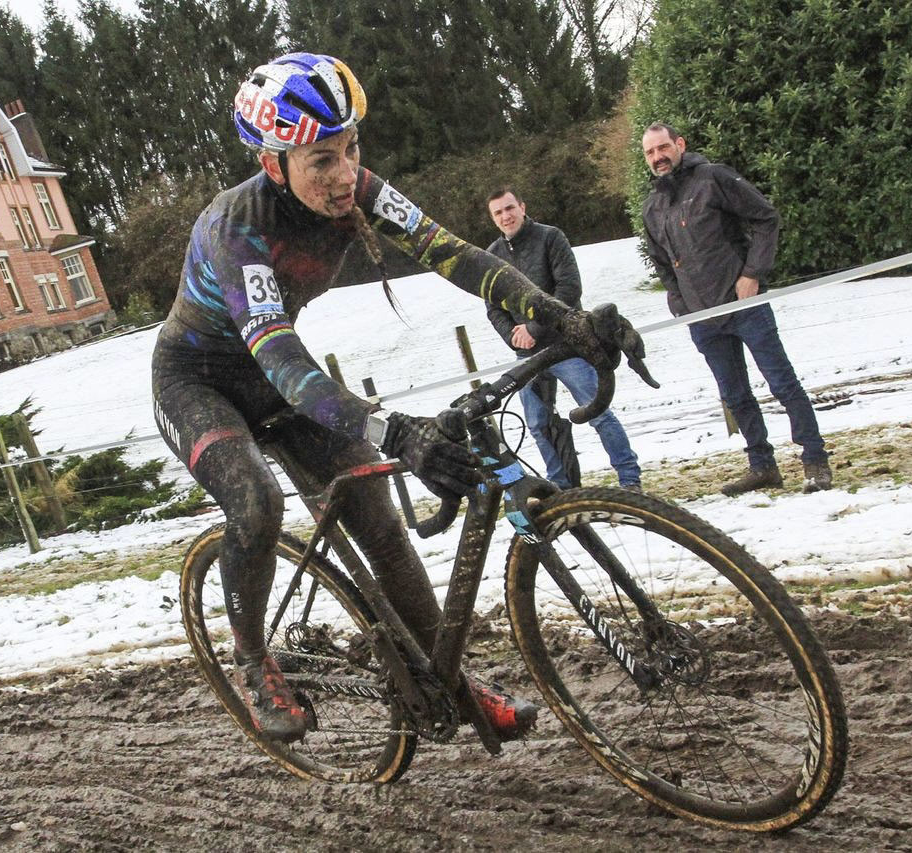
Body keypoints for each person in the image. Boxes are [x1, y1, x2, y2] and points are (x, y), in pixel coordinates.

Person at [152, 53, 633, 742]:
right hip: (197, 381)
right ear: (272, 163)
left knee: (381, 525)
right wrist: (393, 430)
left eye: (352, 148)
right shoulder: (238, 229)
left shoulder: (359, 191)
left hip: (279, 375)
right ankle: (254, 659)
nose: (346, 173)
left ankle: (453, 684)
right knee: (258, 500)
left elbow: (459, 254)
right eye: (322, 160)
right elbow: (284, 363)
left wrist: (564, 318)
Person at [639, 123, 832, 496]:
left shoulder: (713, 178)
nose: (658, 157)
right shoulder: (652, 208)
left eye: (663, 147)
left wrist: (752, 274)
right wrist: (679, 303)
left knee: (782, 383)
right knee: (735, 395)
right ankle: (762, 466)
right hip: (702, 318)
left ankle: (814, 459)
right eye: (650, 152)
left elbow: (765, 218)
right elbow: (662, 263)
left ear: (680, 145)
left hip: (745, 305)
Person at [484, 188, 642, 492]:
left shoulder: (550, 237)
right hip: (526, 355)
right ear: (493, 219)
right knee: (538, 426)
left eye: (509, 208)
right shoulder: (492, 256)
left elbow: (568, 288)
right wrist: (515, 339)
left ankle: (629, 478)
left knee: (597, 412)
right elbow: (493, 307)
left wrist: (534, 329)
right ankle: (560, 487)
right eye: (498, 213)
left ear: (522, 206)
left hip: (567, 345)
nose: (506, 216)